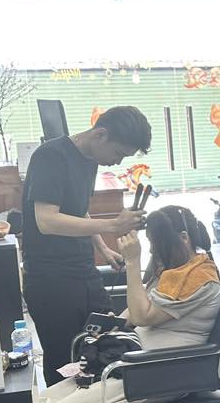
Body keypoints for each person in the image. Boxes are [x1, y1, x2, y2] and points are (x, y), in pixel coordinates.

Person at [39, 205, 220, 403]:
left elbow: (142, 315)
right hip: (137, 365)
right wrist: (111, 326)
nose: (154, 252)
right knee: (46, 402)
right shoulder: (174, 270)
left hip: (162, 374)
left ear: (183, 238)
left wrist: (133, 262)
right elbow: (134, 313)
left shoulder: (200, 279)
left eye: (157, 245)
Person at [22, 106, 152, 386]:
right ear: (100, 134)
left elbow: (79, 210)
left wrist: (103, 249)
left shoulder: (90, 160)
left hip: (84, 270)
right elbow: (47, 220)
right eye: (118, 153)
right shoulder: (50, 156)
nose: (117, 162)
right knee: (65, 363)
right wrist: (113, 225)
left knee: (107, 345)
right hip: (50, 279)